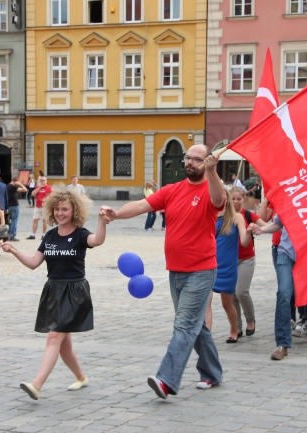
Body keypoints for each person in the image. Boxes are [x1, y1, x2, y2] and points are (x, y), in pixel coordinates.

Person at [100, 144, 225, 399]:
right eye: (188, 158)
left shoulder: (210, 187)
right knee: (196, 325)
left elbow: (218, 200)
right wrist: (117, 214)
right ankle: (212, 372)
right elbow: (142, 205)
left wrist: (212, 173)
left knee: (184, 325)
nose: (190, 162)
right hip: (176, 270)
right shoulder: (172, 190)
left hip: (201, 270)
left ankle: (166, 380)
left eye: (197, 159)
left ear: (206, 163)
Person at [1, 189, 108, 400]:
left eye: (65, 209)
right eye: (57, 209)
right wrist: (14, 251)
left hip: (74, 292)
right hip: (53, 290)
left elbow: (97, 240)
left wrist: (102, 222)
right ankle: (81, 376)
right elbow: (33, 263)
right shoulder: (49, 235)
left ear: (74, 210)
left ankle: (36, 384)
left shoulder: (80, 234)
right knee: (63, 343)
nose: (60, 213)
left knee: (54, 337)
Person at [250, 217, 307, 360]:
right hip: (286, 253)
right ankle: (282, 344)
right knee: (284, 293)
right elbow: (278, 224)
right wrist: (262, 229)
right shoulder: (290, 199)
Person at [204, 188, 251, 343]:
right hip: (210, 264)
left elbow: (244, 241)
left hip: (228, 267)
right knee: (206, 301)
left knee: (227, 304)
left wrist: (250, 231)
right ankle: (207, 335)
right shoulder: (208, 216)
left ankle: (234, 328)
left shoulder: (236, 217)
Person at [229, 186, 265, 337]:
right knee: (231, 295)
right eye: (233, 199)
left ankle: (251, 320)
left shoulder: (248, 215)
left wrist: (257, 227)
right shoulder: (225, 216)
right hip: (229, 261)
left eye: (239, 199)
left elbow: (264, 225)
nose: (236, 202)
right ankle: (236, 327)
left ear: (243, 199)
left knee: (241, 291)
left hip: (246, 259)